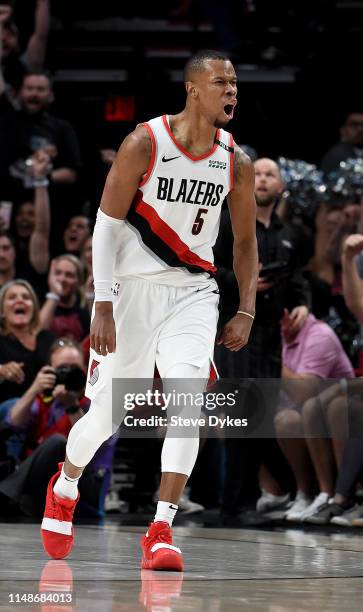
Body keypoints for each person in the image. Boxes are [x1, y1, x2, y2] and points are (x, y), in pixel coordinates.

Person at [40, 49, 259, 570]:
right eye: (221, 82)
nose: (231, 91)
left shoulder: (236, 161)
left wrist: (245, 309)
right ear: (193, 89)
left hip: (193, 293)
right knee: (108, 415)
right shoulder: (145, 141)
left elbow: (246, 243)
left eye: (235, 84)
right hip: (130, 290)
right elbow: (106, 227)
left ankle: (161, 528)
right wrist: (104, 304)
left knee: (188, 405)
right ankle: (65, 483)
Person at [214, 157, 310, 521]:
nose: (264, 180)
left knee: (262, 416)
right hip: (235, 326)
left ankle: (252, 499)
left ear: (281, 186)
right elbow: (210, 268)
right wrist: (244, 279)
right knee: (242, 415)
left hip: (271, 334)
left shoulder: (289, 234)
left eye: (271, 175)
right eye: (259, 174)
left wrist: (301, 305)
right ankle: (233, 503)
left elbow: (297, 279)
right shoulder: (229, 223)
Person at [0, 337, 116, 519]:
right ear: (51, 370)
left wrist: (72, 407)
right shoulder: (45, 400)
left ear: (86, 370)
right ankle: (12, 497)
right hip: (46, 486)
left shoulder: (99, 401)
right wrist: (34, 389)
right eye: (62, 370)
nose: (69, 374)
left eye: (75, 370)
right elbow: (13, 422)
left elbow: (96, 447)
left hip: (84, 486)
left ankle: (4, 494)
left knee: (58, 442)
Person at [274, 311, 354, 522]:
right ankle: (312, 494)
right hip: (311, 412)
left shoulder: (320, 335)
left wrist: (273, 360)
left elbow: (303, 392)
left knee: (324, 407)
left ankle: (343, 496)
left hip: (339, 409)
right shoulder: (274, 334)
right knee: (267, 418)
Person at [0, 279, 54, 404]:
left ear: (34, 309)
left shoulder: (47, 338)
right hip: (10, 409)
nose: (20, 300)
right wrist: (1, 370)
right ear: (2, 311)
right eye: (12, 297)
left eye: (26, 297)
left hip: (48, 405)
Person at [39, 254, 90, 341]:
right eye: (58, 273)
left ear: (79, 281)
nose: (62, 279)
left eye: (69, 275)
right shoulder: (39, 304)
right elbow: (37, 334)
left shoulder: (84, 311)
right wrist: (54, 294)